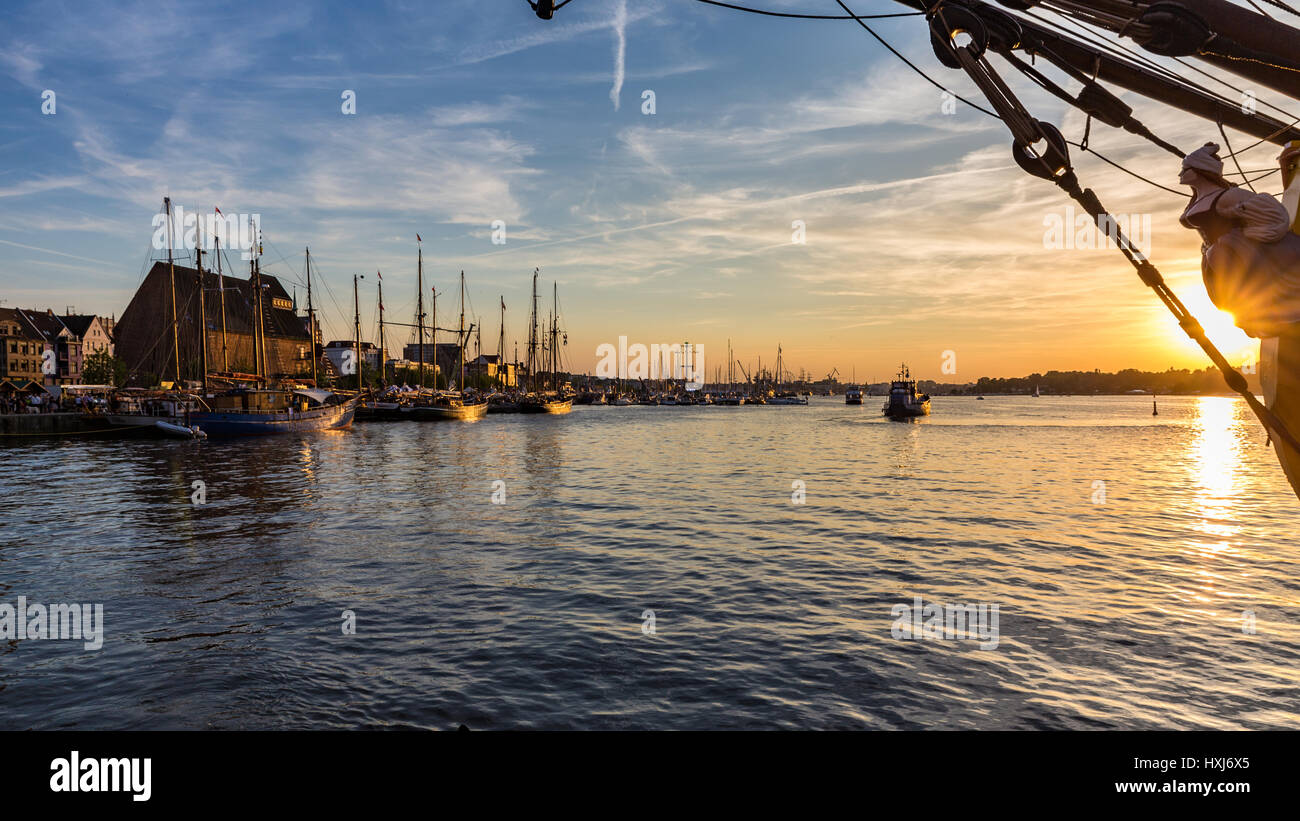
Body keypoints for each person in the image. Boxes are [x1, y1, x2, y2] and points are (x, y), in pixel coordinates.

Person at [1179, 142, 1300, 338]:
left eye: (1186, 169)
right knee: (1234, 298)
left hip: (1236, 251)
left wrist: (1245, 222)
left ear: (1201, 170)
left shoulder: (1228, 196)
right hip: (1215, 254)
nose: (1181, 174)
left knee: (1254, 292)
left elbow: (1276, 215)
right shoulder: (1198, 198)